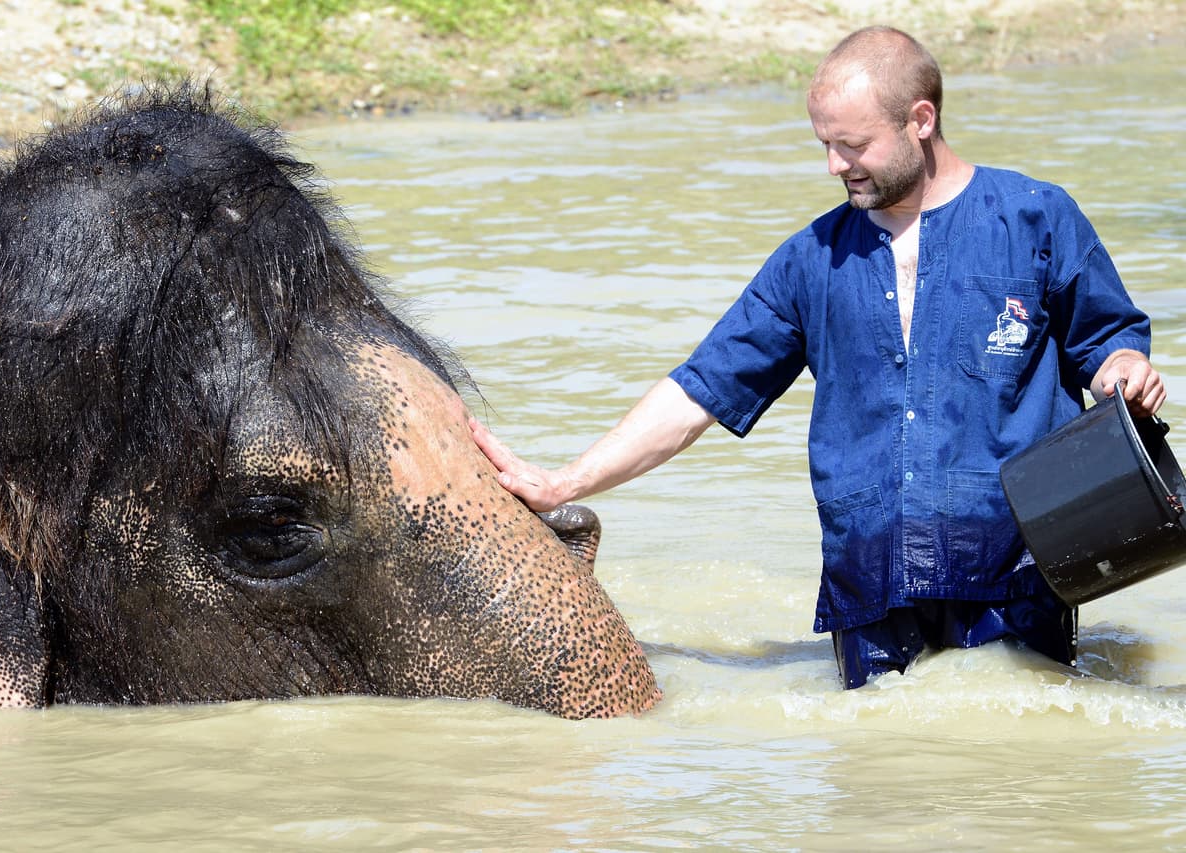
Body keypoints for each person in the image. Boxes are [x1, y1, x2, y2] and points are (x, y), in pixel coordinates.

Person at [469, 25, 1167, 689]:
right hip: (870, 587)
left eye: (853, 144)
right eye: (825, 143)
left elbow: (1107, 347)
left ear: (920, 120)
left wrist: (1123, 371)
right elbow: (697, 394)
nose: (835, 165)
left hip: (1017, 577)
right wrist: (565, 483)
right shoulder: (811, 261)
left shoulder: (1037, 219)